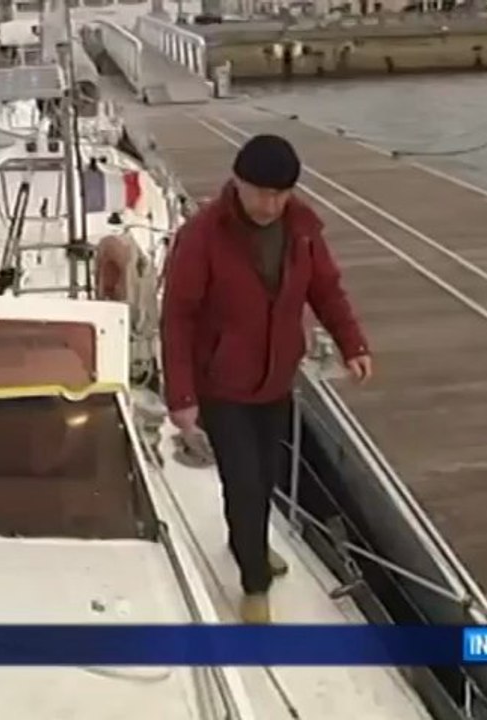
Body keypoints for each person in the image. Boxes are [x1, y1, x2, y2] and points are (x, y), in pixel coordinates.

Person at [161, 134, 373, 624]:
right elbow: (178, 317)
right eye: (261, 192)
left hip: (276, 379)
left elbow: (326, 289)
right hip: (223, 384)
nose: (270, 204)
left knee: (268, 475)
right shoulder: (203, 235)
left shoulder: (301, 230)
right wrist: (183, 397)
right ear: (237, 182)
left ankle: (247, 544)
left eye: (281, 194)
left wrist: (352, 344)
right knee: (244, 482)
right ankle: (254, 582)